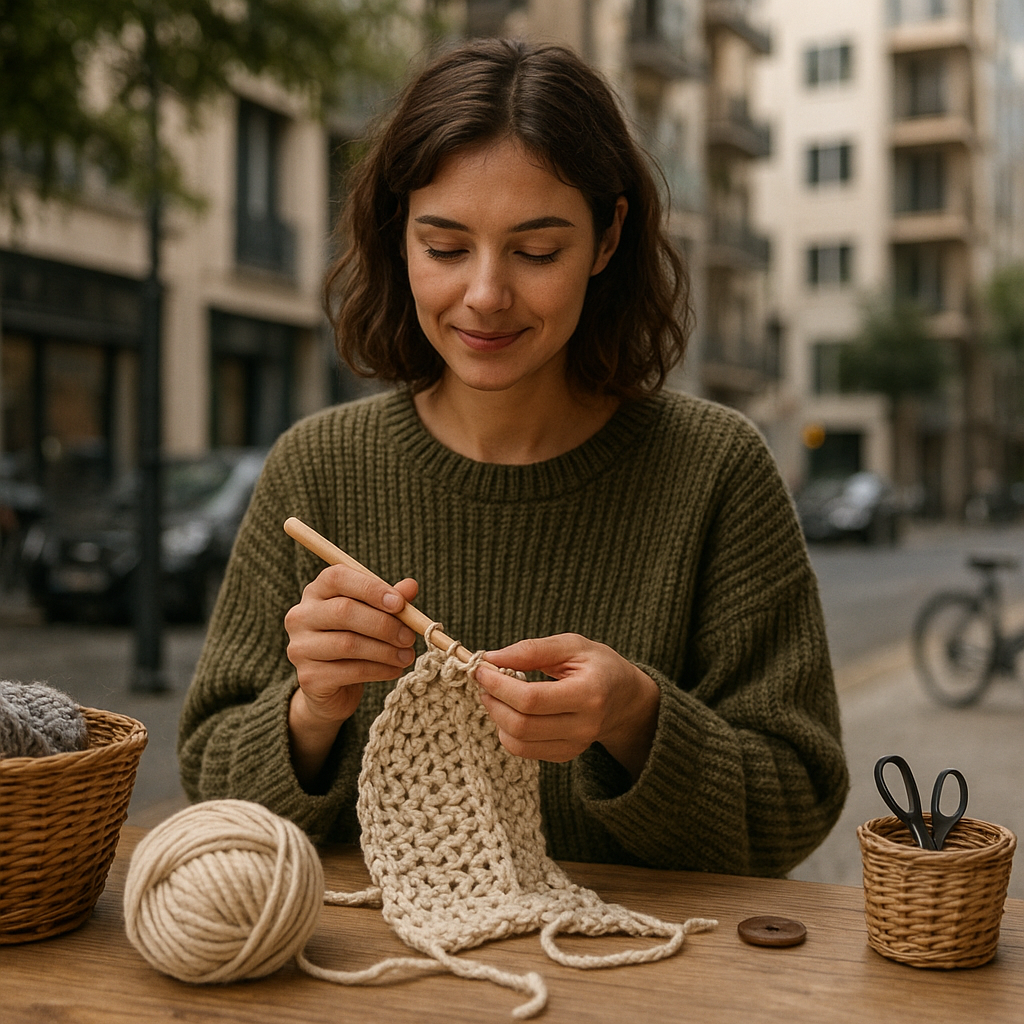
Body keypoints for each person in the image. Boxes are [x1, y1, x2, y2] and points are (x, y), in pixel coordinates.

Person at [178, 38, 848, 876]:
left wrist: (636, 718)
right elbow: (208, 789)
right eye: (446, 247)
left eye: (537, 252)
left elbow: (799, 803)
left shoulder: (715, 470)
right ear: (399, 237)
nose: (487, 294)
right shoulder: (316, 469)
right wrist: (311, 712)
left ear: (608, 239)